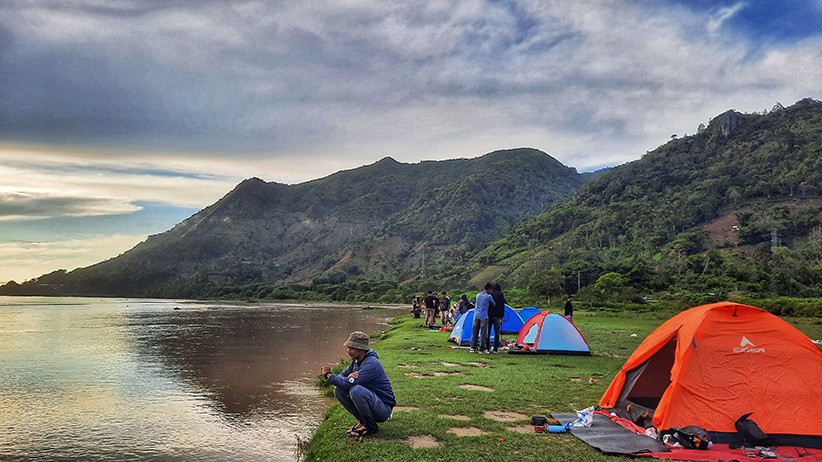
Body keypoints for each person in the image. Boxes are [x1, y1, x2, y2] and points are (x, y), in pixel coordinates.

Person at [322, 331, 396, 437]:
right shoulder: (356, 362)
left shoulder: (371, 364)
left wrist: (328, 375)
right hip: (373, 402)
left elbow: (347, 384)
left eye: (351, 348)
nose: (348, 351)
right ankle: (363, 421)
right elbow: (341, 377)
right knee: (338, 390)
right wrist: (347, 378)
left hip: (383, 409)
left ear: (361, 349)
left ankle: (371, 427)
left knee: (356, 390)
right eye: (348, 348)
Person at [470, 283, 495, 354]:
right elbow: (494, 304)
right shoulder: (488, 296)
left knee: (475, 332)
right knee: (483, 333)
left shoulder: (478, 295)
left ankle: (473, 347)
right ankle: (482, 349)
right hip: (484, 316)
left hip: (476, 315)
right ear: (489, 289)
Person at [487, 283, 507, 353]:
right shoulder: (501, 294)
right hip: (497, 316)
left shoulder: (491, 294)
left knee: (488, 332)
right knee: (497, 332)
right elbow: (502, 306)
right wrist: (502, 316)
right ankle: (496, 348)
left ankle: (487, 347)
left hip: (490, 315)